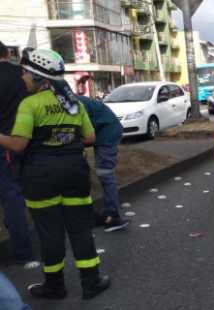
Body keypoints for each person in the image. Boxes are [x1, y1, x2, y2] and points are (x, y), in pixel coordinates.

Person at [0, 48, 110, 300]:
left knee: (49, 232)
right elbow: (90, 137)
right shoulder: (74, 103)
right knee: (81, 229)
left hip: (40, 177)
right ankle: (91, 282)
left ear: (39, 76)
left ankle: (55, 285)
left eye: (26, 72)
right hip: (74, 173)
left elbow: (18, 145)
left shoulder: (30, 104)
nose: (22, 77)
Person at [0, 41, 35, 267]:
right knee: (20, 194)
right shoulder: (23, 75)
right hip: (23, 140)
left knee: (11, 197)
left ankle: (22, 250)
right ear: (7, 53)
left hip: (4, 146)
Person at [76, 94, 129, 232]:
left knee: (105, 174)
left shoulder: (74, 105)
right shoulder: (73, 100)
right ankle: (108, 214)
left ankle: (113, 216)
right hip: (105, 129)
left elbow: (88, 137)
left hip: (107, 133)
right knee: (104, 174)